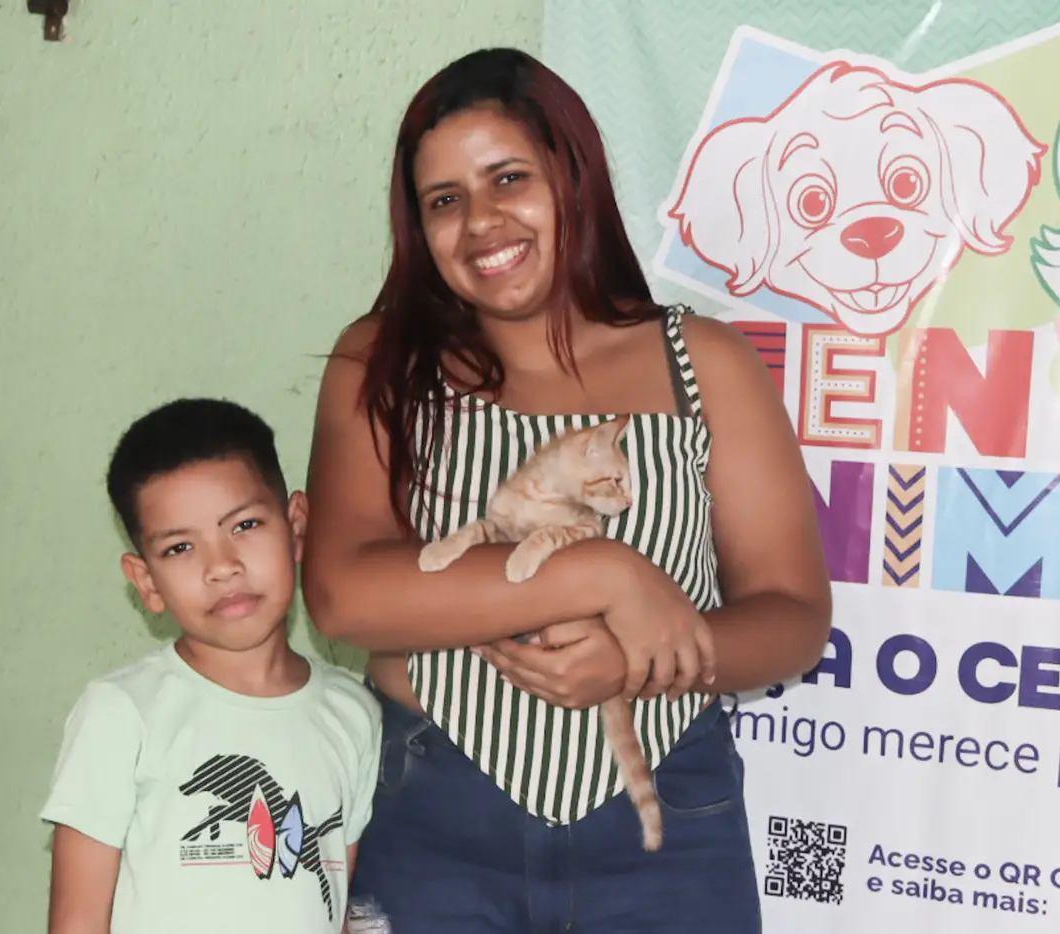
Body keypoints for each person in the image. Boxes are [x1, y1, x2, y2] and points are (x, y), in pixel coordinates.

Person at [302, 47, 832, 933]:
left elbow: (794, 617)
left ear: (572, 179)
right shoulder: (383, 359)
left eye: (509, 178)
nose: (481, 222)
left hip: (667, 821)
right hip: (434, 819)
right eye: (444, 200)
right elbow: (343, 595)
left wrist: (643, 658)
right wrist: (603, 575)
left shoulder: (706, 363)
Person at [40, 398, 381, 934]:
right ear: (146, 581)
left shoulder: (353, 712)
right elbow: (76, 922)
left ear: (297, 527)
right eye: (180, 548)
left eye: (245, 524)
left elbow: (334, 903)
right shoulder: (122, 712)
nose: (222, 566)